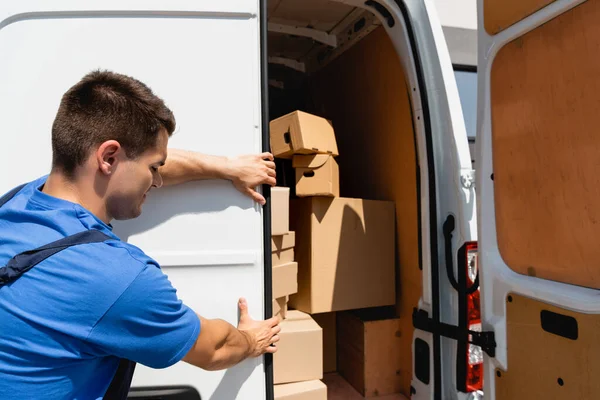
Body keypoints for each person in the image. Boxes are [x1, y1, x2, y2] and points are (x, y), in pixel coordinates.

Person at [0, 70, 280, 399]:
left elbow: (130, 158)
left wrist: (225, 167)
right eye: (153, 169)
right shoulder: (115, 278)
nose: (158, 181)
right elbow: (215, 349)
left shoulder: (18, 202)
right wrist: (250, 340)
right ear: (108, 157)